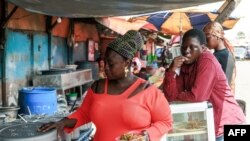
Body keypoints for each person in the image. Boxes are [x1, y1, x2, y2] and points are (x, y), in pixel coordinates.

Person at [39, 30, 173, 141]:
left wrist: (146, 136)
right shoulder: (98, 87)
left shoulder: (148, 91)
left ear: (126, 63)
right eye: (104, 62)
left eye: (111, 64)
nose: (105, 68)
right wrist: (62, 123)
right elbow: (84, 114)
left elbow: (166, 122)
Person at [162, 29, 245, 141]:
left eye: (192, 47)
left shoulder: (207, 60)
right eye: (184, 47)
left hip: (229, 123)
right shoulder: (185, 64)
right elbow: (169, 96)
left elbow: (198, 96)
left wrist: (178, 95)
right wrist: (171, 70)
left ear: (203, 47)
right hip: (210, 125)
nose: (186, 51)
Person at [203, 22, 236, 94]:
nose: (205, 42)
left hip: (221, 98)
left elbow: (225, 85)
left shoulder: (224, 55)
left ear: (217, 36)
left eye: (207, 37)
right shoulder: (219, 54)